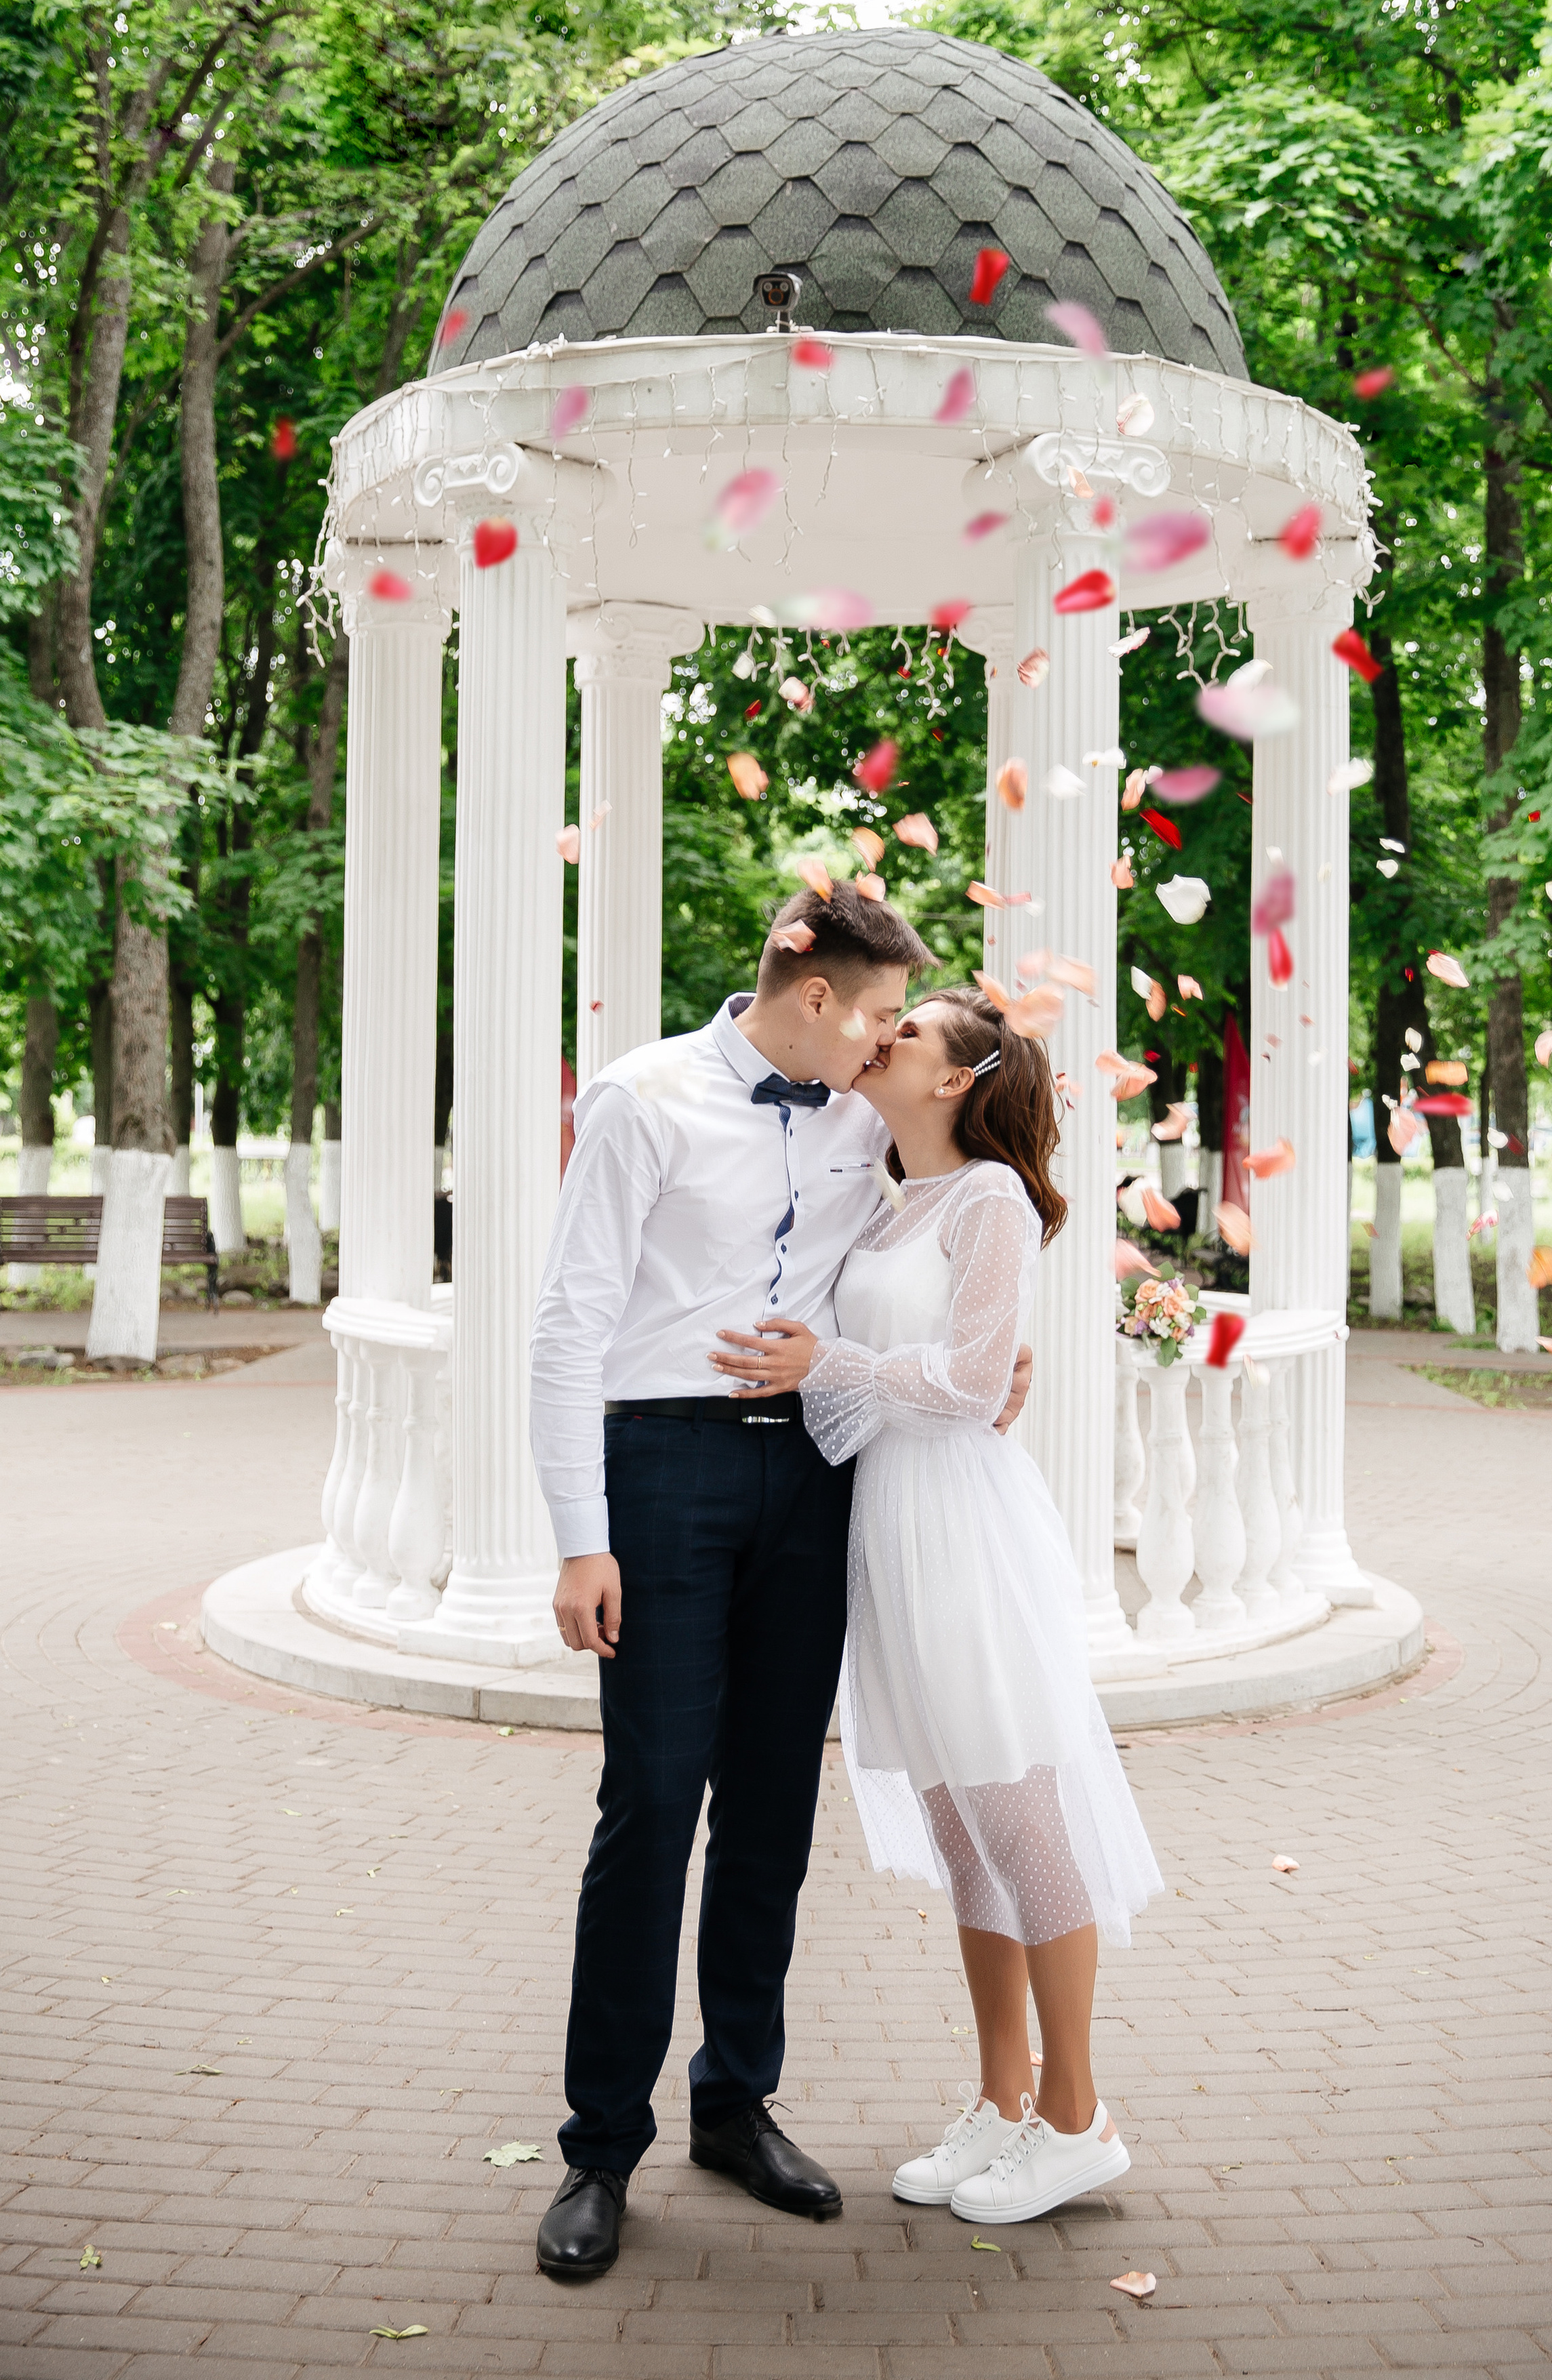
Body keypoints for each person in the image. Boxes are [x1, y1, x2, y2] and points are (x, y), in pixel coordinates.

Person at [527, 886, 1029, 2280]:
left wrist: (994, 1358)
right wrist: (582, 1533)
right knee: (649, 1806)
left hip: (815, 1475)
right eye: (872, 1015)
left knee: (770, 1810)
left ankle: (735, 2105)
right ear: (812, 995)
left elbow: (963, 1213)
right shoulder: (641, 1100)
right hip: (664, 1472)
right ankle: (598, 2150)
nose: (880, 1046)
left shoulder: (866, 1112)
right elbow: (568, 1320)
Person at [709, 986, 1161, 2225]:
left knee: (1020, 1817)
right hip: (888, 1528)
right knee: (963, 1831)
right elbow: (908, 1382)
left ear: (959, 1078)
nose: (881, 1038)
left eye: (908, 1034)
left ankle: (1078, 2119)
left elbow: (967, 1383)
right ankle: (1003, 2099)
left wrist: (832, 1364)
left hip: (963, 1525)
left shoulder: (991, 1199)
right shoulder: (888, 1192)